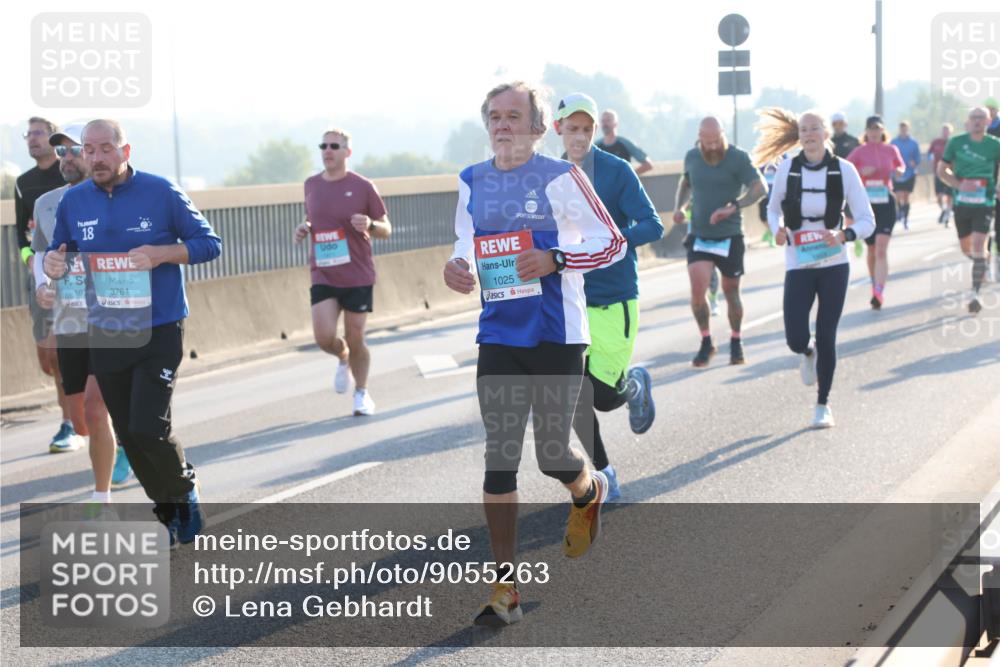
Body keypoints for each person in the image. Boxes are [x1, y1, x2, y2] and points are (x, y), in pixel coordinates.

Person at [443, 81, 626, 626]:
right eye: (494, 116)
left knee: (551, 454)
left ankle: (587, 488)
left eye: (513, 116)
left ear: (538, 128)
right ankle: (505, 589)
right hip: (499, 333)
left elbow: (609, 241)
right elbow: (466, 242)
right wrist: (460, 268)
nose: (503, 125)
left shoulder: (562, 178)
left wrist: (556, 258)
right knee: (499, 458)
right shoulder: (471, 180)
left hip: (556, 333)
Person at [44, 119, 221, 545]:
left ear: (126, 151)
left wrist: (162, 254)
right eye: (89, 149)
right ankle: (168, 507)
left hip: (159, 326)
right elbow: (61, 252)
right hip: (107, 329)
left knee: (147, 427)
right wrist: (53, 263)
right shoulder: (75, 202)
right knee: (126, 432)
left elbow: (209, 243)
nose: (96, 157)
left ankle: (183, 491)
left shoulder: (160, 192)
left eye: (106, 148)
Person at [554, 92, 662, 502]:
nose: (578, 136)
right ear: (557, 129)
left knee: (603, 397)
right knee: (577, 391)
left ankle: (633, 386)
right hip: (569, 300)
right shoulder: (546, 175)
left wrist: (613, 241)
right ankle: (604, 473)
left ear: (595, 130)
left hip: (613, 297)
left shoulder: (616, 171)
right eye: (571, 128)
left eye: (586, 129)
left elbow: (653, 225)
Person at [755, 109, 875, 429]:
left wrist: (844, 234)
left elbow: (867, 219)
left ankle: (823, 404)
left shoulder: (844, 170)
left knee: (827, 334)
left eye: (814, 128)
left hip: (834, 261)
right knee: (796, 336)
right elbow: (773, 207)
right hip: (799, 261)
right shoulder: (788, 169)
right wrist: (778, 227)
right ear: (799, 135)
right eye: (804, 129)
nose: (809, 134)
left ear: (826, 134)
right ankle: (805, 352)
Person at [31, 123, 131, 500]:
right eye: (62, 152)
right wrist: (44, 287)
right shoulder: (47, 204)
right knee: (81, 421)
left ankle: (101, 496)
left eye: (74, 150)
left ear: (93, 154)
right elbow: (41, 254)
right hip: (69, 316)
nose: (67, 159)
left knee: (94, 406)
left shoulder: (116, 198)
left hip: (112, 317)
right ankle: (120, 438)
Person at [294, 128, 392, 417]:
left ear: (347, 152)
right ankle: (342, 356)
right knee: (323, 337)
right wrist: (306, 228)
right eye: (323, 145)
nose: (327, 150)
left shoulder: (363, 186)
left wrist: (371, 225)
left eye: (334, 146)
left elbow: (387, 228)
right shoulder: (311, 185)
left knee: (356, 335)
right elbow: (314, 220)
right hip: (323, 272)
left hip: (357, 274)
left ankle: (361, 393)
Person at [672, 117, 767, 367]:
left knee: (731, 291)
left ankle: (736, 340)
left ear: (723, 135)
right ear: (700, 137)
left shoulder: (738, 158)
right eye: (708, 141)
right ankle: (706, 341)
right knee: (697, 290)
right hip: (700, 235)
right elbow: (686, 183)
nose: (713, 146)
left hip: (730, 236)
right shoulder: (692, 156)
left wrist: (733, 207)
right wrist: (680, 207)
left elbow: (760, 188)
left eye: (717, 141)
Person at [15, 117, 80, 453]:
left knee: (64, 353)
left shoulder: (72, 172)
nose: (32, 140)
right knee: (48, 359)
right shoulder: (24, 183)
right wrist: (32, 261)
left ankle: (69, 423)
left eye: (39, 133)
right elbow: (21, 234)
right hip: (40, 277)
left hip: (76, 284)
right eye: (29, 134)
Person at [936, 107, 1000, 314]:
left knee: (979, 245)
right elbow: (941, 170)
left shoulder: (995, 145)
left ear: (988, 122)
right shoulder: (956, 142)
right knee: (967, 249)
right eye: (974, 118)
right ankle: (982, 263)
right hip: (962, 203)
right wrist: (958, 184)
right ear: (968, 121)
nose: (977, 121)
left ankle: (975, 294)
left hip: (985, 203)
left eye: (982, 118)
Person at [846, 116, 905, 310]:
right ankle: (874, 285)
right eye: (871, 129)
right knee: (871, 249)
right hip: (866, 203)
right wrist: (863, 171)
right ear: (866, 132)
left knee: (881, 248)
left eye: (877, 129)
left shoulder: (891, 149)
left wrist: (898, 172)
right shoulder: (858, 151)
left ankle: (879, 291)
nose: (874, 132)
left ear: (882, 131)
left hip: (886, 200)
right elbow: (846, 170)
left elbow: (901, 166)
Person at [596, 110, 654, 174]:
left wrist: (628, 177)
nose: (605, 124)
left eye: (608, 120)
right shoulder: (596, 146)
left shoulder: (625, 143)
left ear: (616, 123)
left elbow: (648, 165)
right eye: (603, 121)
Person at [890, 120, 921, 229]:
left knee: (906, 196)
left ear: (908, 129)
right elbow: (889, 156)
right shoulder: (894, 142)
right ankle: (900, 211)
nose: (903, 130)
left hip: (909, 173)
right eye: (902, 128)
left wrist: (915, 162)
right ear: (900, 129)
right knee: (898, 195)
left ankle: (906, 218)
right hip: (897, 173)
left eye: (905, 128)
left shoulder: (914, 143)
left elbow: (918, 158)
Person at [928, 123, 954, 227]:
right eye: (944, 130)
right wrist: (931, 159)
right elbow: (929, 153)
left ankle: (947, 214)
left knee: (949, 195)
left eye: (947, 131)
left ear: (950, 132)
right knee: (939, 196)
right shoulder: (936, 142)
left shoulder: (953, 142)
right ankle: (943, 210)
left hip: (950, 173)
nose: (945, 133)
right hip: (938, 172)